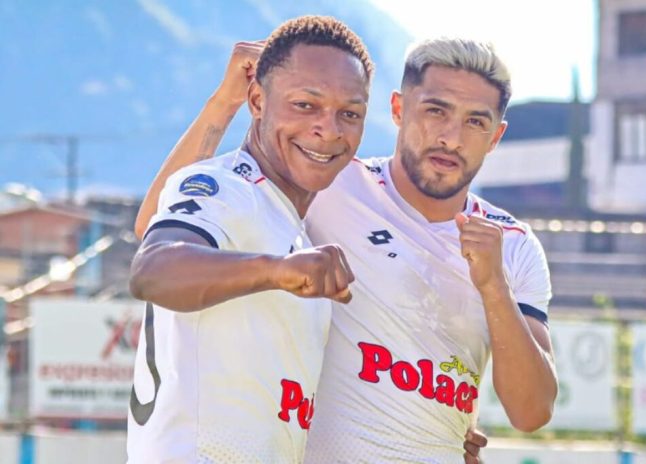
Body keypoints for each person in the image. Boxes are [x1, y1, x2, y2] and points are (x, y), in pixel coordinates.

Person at [136, 35, 557, 463]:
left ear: (495, 136)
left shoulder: (513, 245)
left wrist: (494, 287)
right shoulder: (331, 178)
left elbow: (532, 412)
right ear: (398, 109)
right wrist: (225, 103)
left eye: (475, 122)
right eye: (436, 111)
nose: (451, 138)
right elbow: (158, 224)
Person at [126, 16, 372, 463]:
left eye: (350, 113)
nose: (330, 129)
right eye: (305, 105)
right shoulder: (232, 189)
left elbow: (151, 223)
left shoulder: (288, 223)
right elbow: (152, 268)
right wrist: (277, 271)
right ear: (257, 100)